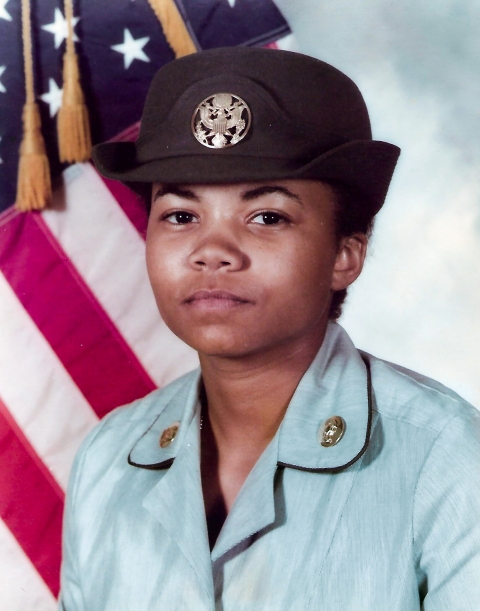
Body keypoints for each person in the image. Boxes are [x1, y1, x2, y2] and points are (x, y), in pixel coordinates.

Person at [59, 47, 480, 610]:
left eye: (267, 217)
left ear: (345, 255)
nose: (213, 252)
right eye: (181, 216)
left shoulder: (444, 459)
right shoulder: (109, 459)